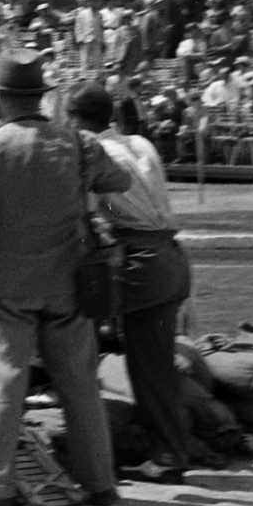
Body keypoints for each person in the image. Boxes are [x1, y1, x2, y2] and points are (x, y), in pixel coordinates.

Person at [0, 49, 132, 506]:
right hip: (69, 280)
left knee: (7, 379)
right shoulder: (77, 143)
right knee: (80, 382)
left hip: (8, 281)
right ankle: (100, 482)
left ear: (0, 99)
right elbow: (120, 181)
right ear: (41, 97)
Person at [67, 83, 195, 483]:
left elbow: (89, 215)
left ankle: (89, 454)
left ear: (72, 118)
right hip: (171, 257)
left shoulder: (89, 150)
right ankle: (171, 453)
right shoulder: (139, 143)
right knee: (154, 366)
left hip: (137, 259)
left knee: (67, 330)